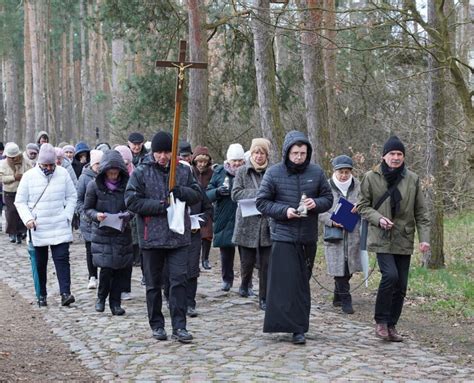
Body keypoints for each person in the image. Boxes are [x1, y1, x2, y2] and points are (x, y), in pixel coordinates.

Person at [256, 131, 333, 345]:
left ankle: (299, 325)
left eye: (303, 153)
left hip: (307, 236)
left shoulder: (316, 172)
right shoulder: (273, 173)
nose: (299, 156)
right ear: (287, 152)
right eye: (295, 152)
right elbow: (261, 202)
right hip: (283, 235)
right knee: (285, 283)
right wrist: (285, 211)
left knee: (301, 283)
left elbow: (328, 198)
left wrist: (315, 204)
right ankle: (291, 327)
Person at [125, 131, 202, 343]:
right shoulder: (141, 172)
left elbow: (197, 194)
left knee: (178, 282)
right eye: (159, 152)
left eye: (167, 152)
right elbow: (131, 201)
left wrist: (181, 192)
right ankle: (157, 324)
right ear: (153, 152)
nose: (163, 156)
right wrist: (160, 206)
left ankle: (180, 326)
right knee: (153, 284)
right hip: (152, 238)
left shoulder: (183, 171)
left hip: (178, 237)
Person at [357, 136, 430, 342]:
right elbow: (362, 206)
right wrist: (379, 219)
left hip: (404, 237)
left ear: (404, 157)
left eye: (399, 154)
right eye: (392, 154)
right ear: (384, 156)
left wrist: (424, 239)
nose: (396, 158)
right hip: (381, 237)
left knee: (402, 285)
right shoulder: (371, 177)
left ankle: (392, 325)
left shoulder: (413, 179)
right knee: (390, 276)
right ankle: (380, 321)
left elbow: (421, 212)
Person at [15, 143, 77, 307]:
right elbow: (19, 201)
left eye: (52, 164)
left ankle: (65, 293)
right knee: (40, 262)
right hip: (38, 226)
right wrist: (28, 219)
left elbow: (72, 196)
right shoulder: (29, 176)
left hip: (59, 223)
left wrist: (67, 215)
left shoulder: (63, 174)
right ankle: (41, 294)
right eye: (45, 165)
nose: (49, 168)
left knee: (62, 259)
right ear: (39, 163)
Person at [84, 150, 133, 316]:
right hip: (102, 233)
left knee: (120, 270)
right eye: (110, 173)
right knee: (106, 269)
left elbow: (133, 206)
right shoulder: (93, 186)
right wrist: (96, 216)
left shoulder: (127, 186)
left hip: (121, 232)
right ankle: (101, 297)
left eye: (116, 172)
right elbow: (87, 209)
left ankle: (116, 303)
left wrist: (126, 215)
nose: (113, 176)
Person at [232, 138, 272, 310]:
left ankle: (264, 297)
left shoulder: (273, 171)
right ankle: (245, 282)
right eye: (256, 152)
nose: (258, 156)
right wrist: (259, 194)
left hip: (266, 223)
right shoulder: (242, 171)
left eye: (262, 153)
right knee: (247, 261)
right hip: (247, 221)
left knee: (266, 264)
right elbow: (235, 194)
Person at [319, 155, 362, 315]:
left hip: (352, 233)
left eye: (347, 172)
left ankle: (338, 294)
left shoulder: (358, 186)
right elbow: (319, 210)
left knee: (349, 268)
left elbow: (367, 202)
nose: (344, 175)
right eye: (340, 172)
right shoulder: (326, 187)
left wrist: (360, 206)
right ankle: (346, 299)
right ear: (334, 171)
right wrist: (331, 220)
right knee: (339, 267)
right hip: (334, 233)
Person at [206, 143, 245, 291]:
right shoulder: (219, 172)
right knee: (226, 252)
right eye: (233, 160)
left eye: (239, 160)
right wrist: (217, 192)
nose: (236, 163)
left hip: (244, 215)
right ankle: (227, 280)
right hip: (224, 215)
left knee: (246, 254)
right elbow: (207, 194)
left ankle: (246, 283)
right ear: (228, 160)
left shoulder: (248, 171)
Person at [76, 150, 104, 289]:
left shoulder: (107, 176)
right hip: (88, 220)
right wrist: (85, 214)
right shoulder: (84, 178)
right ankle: (92, 276)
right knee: (90, 249)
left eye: (101, 163)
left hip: (103, 219)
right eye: (97, 163)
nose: (99, 166)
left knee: (103, 249)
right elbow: (79, 199)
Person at [114, 145, 136, 301]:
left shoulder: (136, 175)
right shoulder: (111, 177)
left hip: (130, 221)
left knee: (128, 256)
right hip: (113, 219)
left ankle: (126, 287)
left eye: (127, 163)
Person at [0, 143, 32, 244]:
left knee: (21, 212)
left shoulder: (25, 162)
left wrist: (24, 177)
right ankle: (12, 232)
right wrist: (14, 177)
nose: (13, 159)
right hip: (9, 191)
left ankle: (21, 232)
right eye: (11, 157)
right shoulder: (2, 163)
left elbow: (31, 173)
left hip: (22, 190)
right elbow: (1, 178)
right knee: (11, 212)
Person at [191, 146, 214, 270]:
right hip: (194, 204)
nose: (201, 164)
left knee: (207, 233)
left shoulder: (211, 173)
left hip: (207, 205)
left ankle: (205, 258)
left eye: (204, 162)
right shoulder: (190, 171)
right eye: (199, 162)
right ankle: (195, 258)